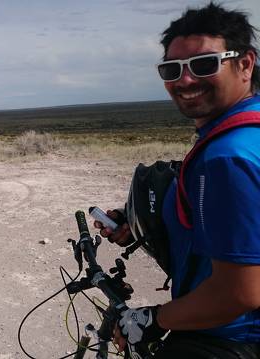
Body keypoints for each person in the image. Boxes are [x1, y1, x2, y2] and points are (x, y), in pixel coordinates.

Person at [95, 3, 260, 358]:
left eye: (204, 65)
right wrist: (137, 222)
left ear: (245, 64)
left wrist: (154, 319)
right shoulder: (242, 131)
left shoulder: (227, 157)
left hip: (228, 340)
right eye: (171, 69)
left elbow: (240, 293)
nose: (184, 80)